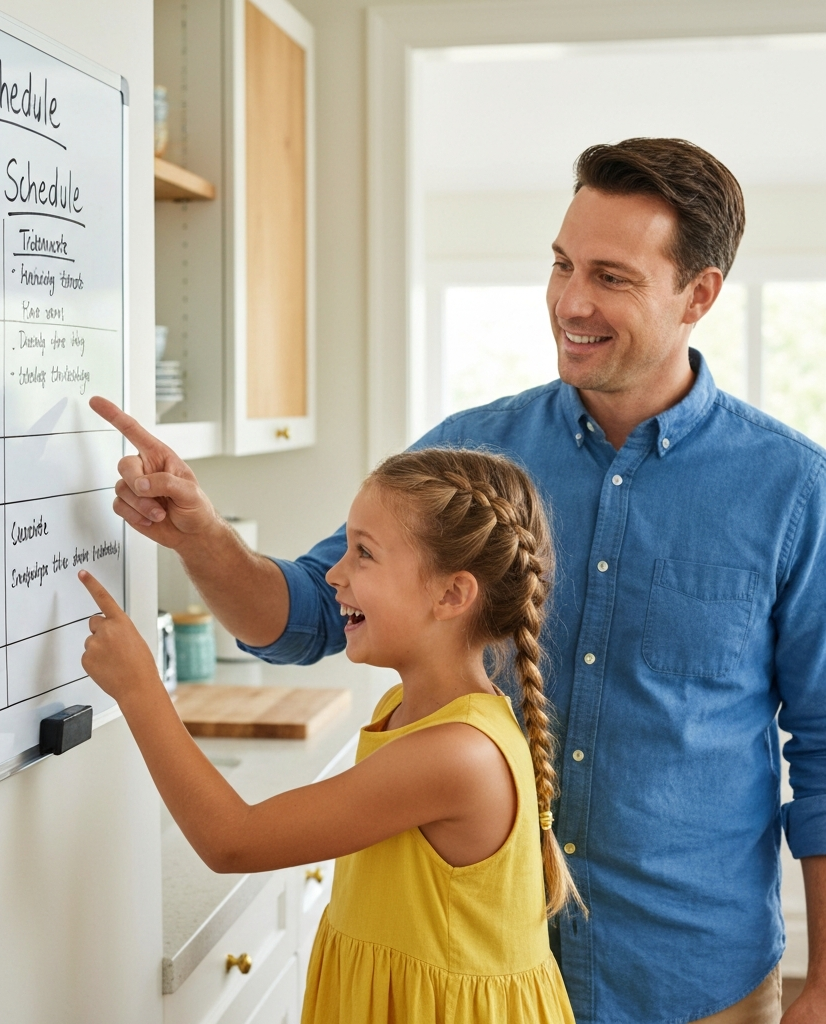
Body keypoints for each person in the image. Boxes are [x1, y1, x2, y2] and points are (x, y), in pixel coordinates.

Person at [94, 138, 826, 1024]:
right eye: (561, 265)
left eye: (612, 277)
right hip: (470, 972)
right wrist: (201, 534)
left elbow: (822, 751)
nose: (571, 301)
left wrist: (822, 986)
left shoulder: (792, 490)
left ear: (699, 294)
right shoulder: (473, 459)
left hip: (692, 978)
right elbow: (307, 615)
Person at [78, 447, 581, 1022]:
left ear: (451, 595)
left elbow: (232, 840)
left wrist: (141, 689)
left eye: (363, 553)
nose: (335, 574)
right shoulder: (410, 711)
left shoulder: (457, 753)